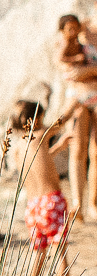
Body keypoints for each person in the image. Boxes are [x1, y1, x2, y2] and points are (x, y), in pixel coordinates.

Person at [9, 99, 79, 276]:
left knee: (37, 255)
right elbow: (62, 120)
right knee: (60, 255)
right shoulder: (40, 135)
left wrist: (59, 147)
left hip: (33, 206)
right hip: (52, 202)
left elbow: (39, 160)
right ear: (36, 119)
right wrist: (75, 103)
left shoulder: (18, 147)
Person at [57, 13, 97, 218]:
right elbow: (66, 69)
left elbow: (80, 70)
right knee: (78, 149)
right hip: (78, 98)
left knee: (96, 152)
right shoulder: (79, 31)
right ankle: (78, 204)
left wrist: (89, 70)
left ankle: (93, 204)